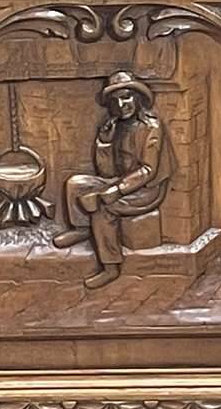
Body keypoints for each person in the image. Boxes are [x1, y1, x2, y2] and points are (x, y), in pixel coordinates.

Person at [54, 70, 173, 289]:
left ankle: (110, 267)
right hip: (120, 181)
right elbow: (106, 173)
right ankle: (83, 229)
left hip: (146, 190)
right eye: (115, 100)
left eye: (126, 97)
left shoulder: (151, 128)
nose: (121, 105)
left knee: (103, 206)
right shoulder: (116, 125)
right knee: (76, 184)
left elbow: (148, 170)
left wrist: (116, 190)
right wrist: (105, 143)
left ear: (137, 98)